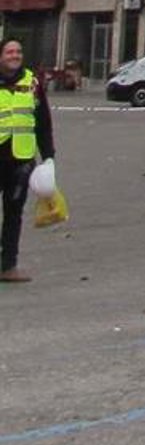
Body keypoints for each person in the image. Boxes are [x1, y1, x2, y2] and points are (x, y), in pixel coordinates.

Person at [1, 36, 55, 282]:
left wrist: (49, 157)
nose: (15, 56)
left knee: (14, 214)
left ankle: (8, 266)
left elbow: (43, 122)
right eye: (9, 52)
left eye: (18, 52)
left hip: (21, 161)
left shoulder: (32, 83)